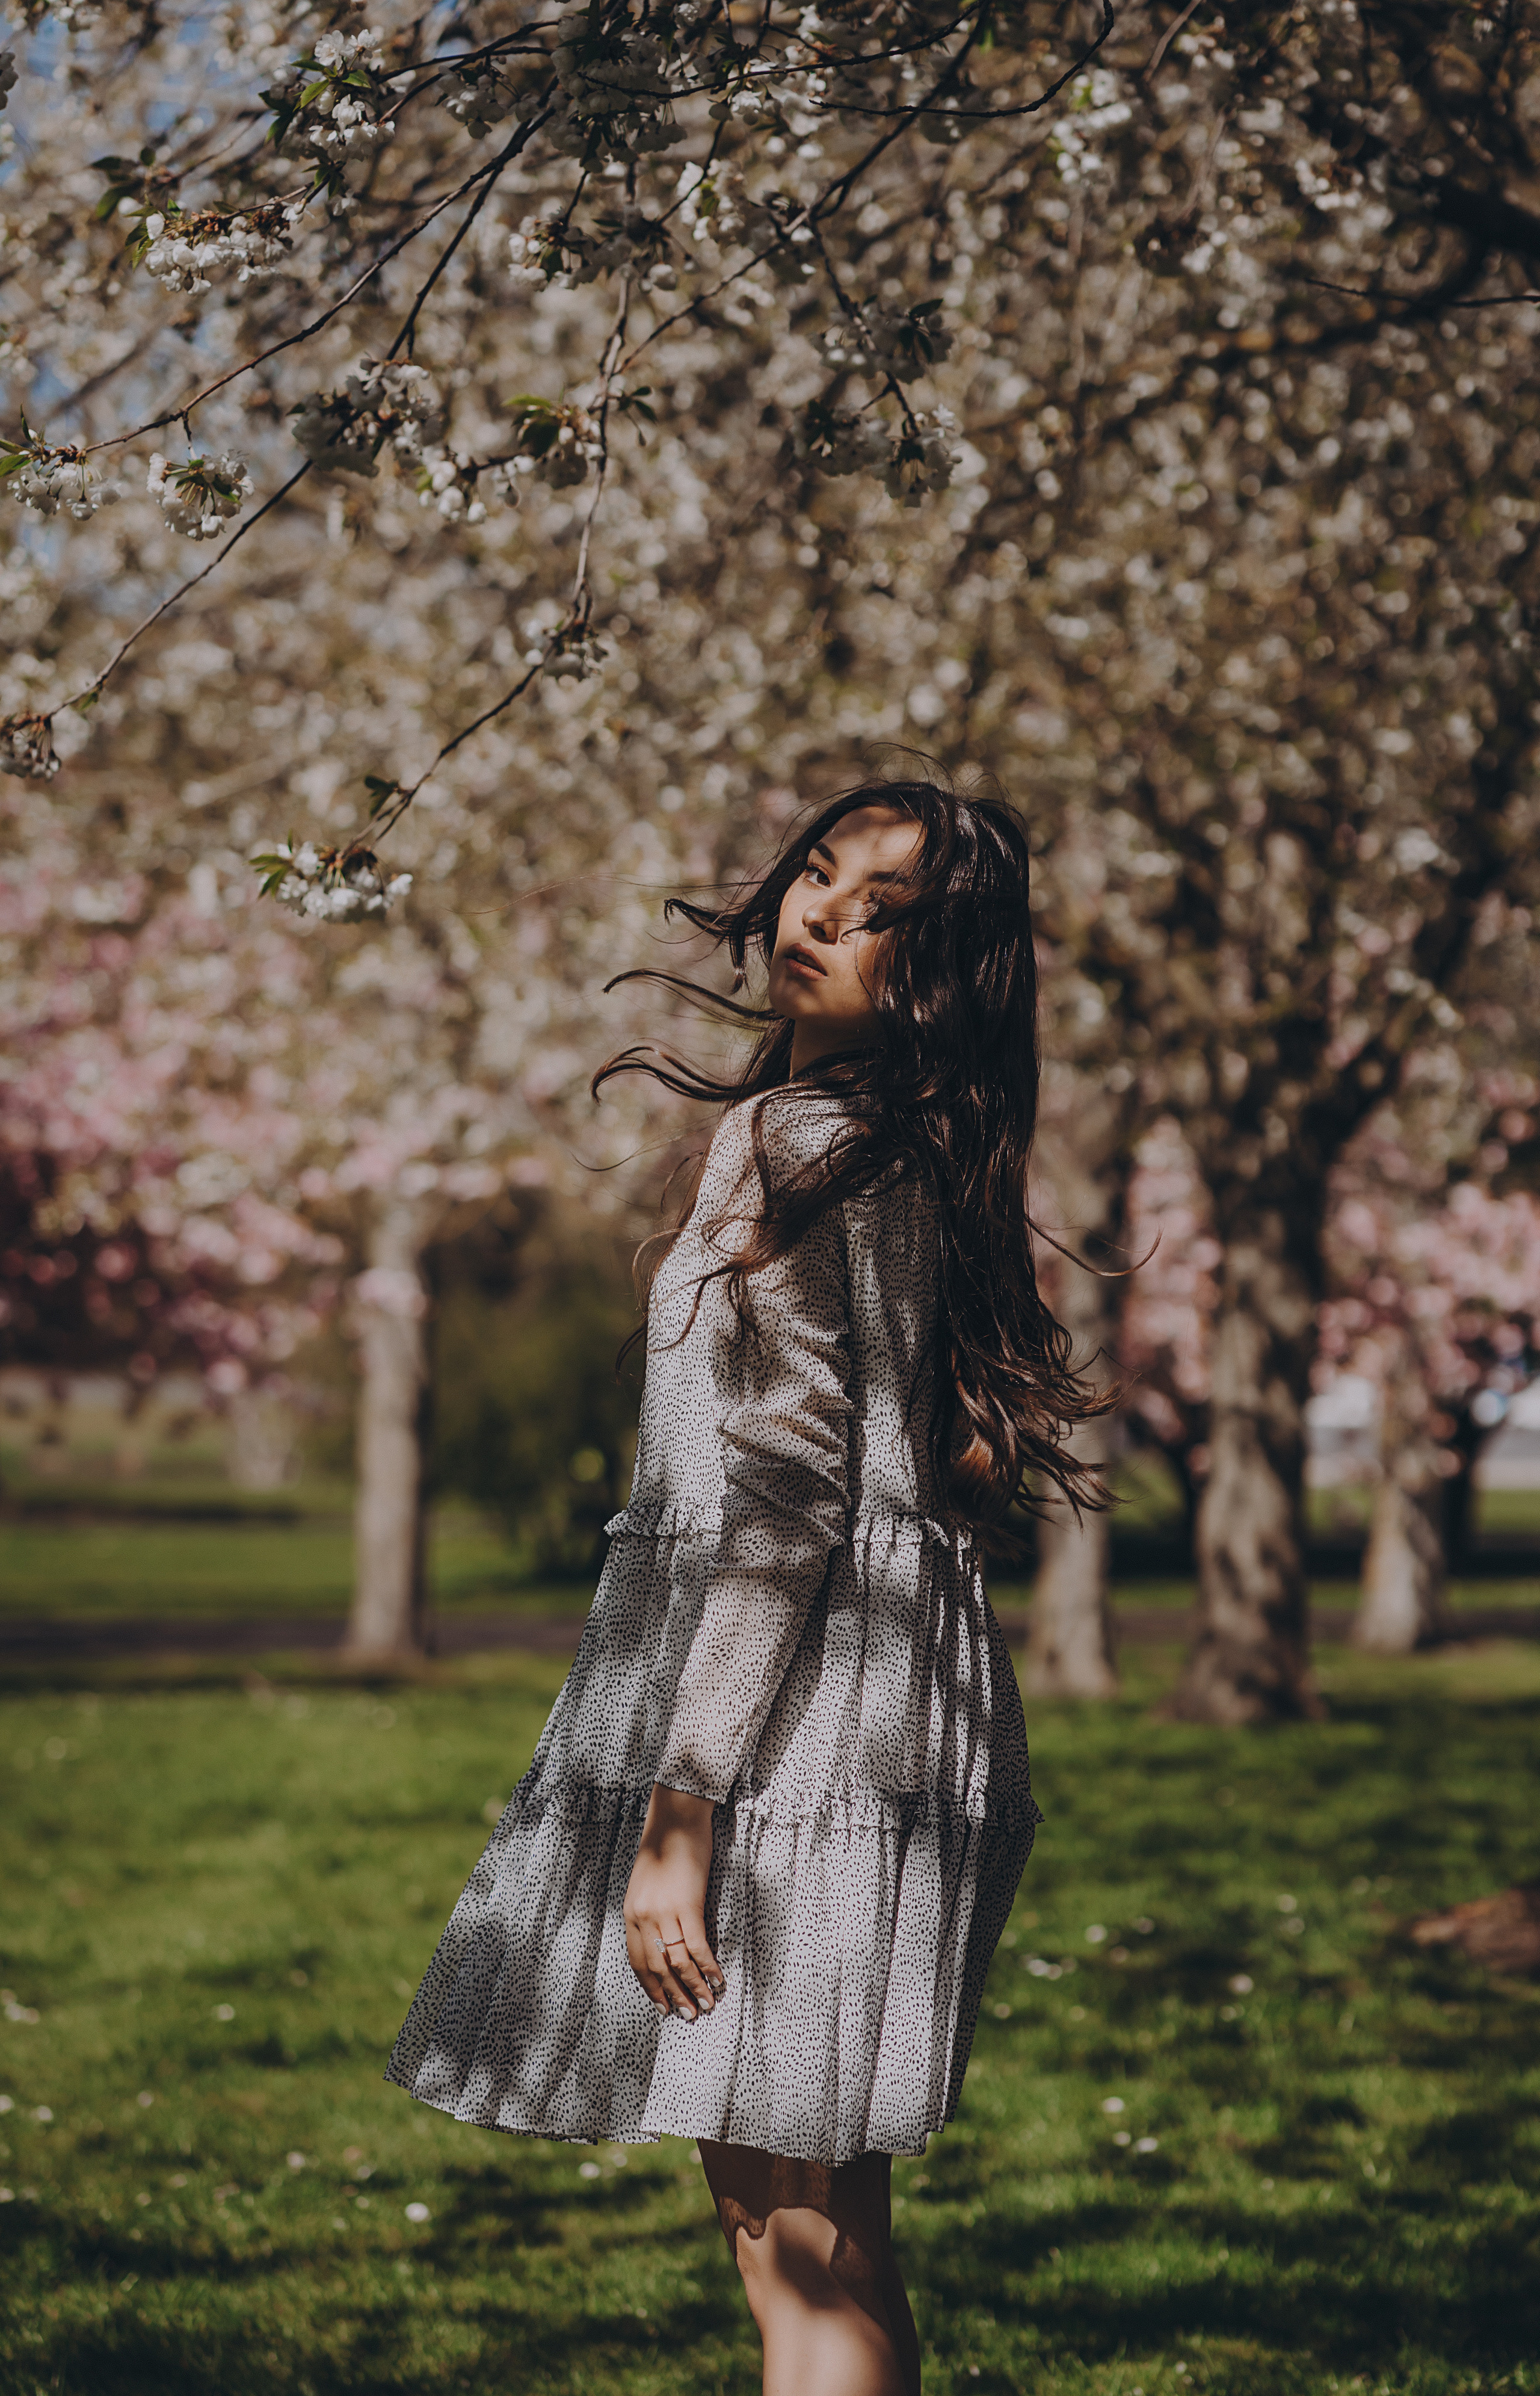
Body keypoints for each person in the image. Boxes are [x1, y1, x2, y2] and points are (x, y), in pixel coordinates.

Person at [387, 770, 1108, 2395]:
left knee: (793, 2239)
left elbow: (788, 1501)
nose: (818, 918)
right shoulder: (907, 1151)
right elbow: (931, 1466)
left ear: (941, 971)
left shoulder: (802, 1143)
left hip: (797, 1736)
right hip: (885, 1710)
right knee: (819, 2231)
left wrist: (682, 1805)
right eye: (816, 874)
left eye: (883, 916)